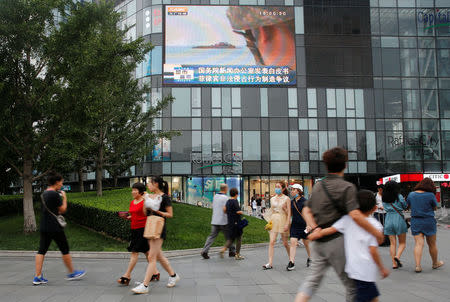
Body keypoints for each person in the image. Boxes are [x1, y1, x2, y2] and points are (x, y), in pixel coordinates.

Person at [295, 147, 384, 302]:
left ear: (326, 165)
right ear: (345, 165)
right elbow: (355, 215)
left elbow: (306, 210)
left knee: (312, 281)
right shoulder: (347, 187)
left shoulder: (318, 186)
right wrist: (376, 232)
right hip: (337, 241)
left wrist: (315, 228)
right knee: (351, 285)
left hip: (318, 242)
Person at [309, 190, 390, 302]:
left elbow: (331, 229)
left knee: (372, 297)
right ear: (374, 208)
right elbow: (373, 250)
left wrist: (316, 234)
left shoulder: (348, 219)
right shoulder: (375, 225)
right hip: (365, 271)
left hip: (353, 268)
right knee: (367, 296)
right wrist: (382, 268)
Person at [33, 172, 85, 285]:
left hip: (44, 226)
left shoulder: (44, 194)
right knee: (64, 249)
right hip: (55, 227)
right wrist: (65, 198)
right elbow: (62, 210)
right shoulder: (55, 195)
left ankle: (37, 276)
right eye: (61, 182)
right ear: (57, 182)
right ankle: (72, 273)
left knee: (41, 250)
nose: (62, 184)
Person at [132, 176, 180, 294]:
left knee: (151, 257)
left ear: (156, 184)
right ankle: (173, 275)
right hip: (150, 226)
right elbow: (145, 213)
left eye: (150, 183)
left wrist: (158, 212)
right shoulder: (148, 197)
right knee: (159, 256)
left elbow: (170, 214)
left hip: (159, 227)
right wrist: (145, 204)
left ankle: (145, 285)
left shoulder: (164, 198)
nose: (148, 185)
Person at [117, 182, 159, 286]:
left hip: (143, 230)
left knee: (134, 252)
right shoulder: (132, 202)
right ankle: (155, 273)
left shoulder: (145, 202)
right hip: (134, 229)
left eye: (135, 190)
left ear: (141, 192)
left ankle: (127, 276)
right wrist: (127, 217)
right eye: (132, 190)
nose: (133, 192)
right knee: (147, 253)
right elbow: (134, 215)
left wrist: (146, 196)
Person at [406, 178, 444, 273]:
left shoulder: (411, 194)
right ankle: (435, 263)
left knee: (419, 243)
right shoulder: (430, 195)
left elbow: (408, 206)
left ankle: (418, 266)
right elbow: (435, 208)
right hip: (429, 221)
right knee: (432, 244)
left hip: (416, 221)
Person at [201, 183, 235, 259]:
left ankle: (205, 251)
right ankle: (232, 251)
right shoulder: (225, 198)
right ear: (225, 189)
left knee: (211, 236)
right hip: (223, 220)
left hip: (215, 220)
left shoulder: (215, 197)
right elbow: (225, 209)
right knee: (229, 236)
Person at [262, 182, 291, 270]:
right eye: (275, 187)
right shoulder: (272, 199)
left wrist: (287, 223)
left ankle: (291, 260)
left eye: (278, 187)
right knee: (272, 241)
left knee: (285, 243)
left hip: (283, 219)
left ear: (283, 189)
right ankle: (270, 263)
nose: (276, 188)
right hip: (274, 219)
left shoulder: (287, 199)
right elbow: (271, 210)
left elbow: (289, 213)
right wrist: (268, 221)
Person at [382, 181, 407, 269]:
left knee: (392, 243)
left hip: (388, 219)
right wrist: (403, 200)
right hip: (398, 218)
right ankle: (397, 256)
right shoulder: (399, 196)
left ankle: (394, 263)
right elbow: (405, 207)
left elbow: (384, 207)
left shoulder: (384, 197)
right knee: (402, 243)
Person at [287, 184, 311, 271]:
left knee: (307, 244)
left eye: (293, 189)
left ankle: (310, 258)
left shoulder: (305, 201)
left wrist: (309, 225)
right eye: (291, 189)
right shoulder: (292, 201)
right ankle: (291, 262)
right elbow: (291, 214)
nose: (291, 191)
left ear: (298, 191)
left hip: (304, 226)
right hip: (294, 226)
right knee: (293, 243)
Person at [219, 188, 245, 260]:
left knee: (231, 239)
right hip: (236, 223)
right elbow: (237, 212)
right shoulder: (235, 201)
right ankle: (237, 254)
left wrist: (230, 213)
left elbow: (224, 210)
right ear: (236, 194)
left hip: (230, 222)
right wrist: (241, 212)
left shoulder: (228, 201)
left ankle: (223, 249)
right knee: (239, 238)